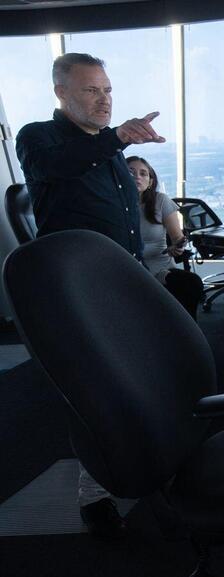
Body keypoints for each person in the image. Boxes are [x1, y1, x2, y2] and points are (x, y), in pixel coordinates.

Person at [15, 52, 166, 540]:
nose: (103, 100)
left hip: (127, 287)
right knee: (93, 397)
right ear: (61, 92)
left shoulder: (109, 151)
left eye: (107, 90)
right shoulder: (39, 137)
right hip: (77, 298)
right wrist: (117, 136)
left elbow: (122, 223)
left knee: (143, 382)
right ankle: (94, 497)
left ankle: (148, 468)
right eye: (90, 90)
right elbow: (56, 167)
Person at [128, 156, 204, 318]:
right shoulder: (112, 206)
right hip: (127, 270)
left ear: (150, 181)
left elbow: (177, 238)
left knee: (191, 284)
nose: (137, 177)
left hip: (160, 270)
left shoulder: (160, 201)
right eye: (131, 172)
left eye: (143, 174)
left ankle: (188, 335)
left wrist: (177, 246)